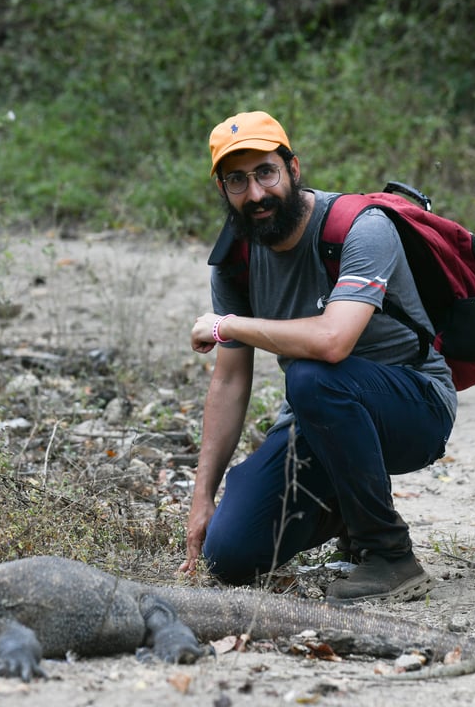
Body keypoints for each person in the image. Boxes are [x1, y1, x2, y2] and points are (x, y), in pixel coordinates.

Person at [180, 111, 457, 603]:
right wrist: (202, 497)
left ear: (293, 168)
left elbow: (334, 342)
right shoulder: (235, 263)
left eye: (266, 172)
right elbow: (229, 383)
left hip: (414, 406)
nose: (257, 193)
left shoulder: (360, 228)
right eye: (237, 181)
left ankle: (388, 552)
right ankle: (348, 508)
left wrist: (226, 326)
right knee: (230, 555)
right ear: (223, 191)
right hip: (319, 419)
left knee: (312, 375)